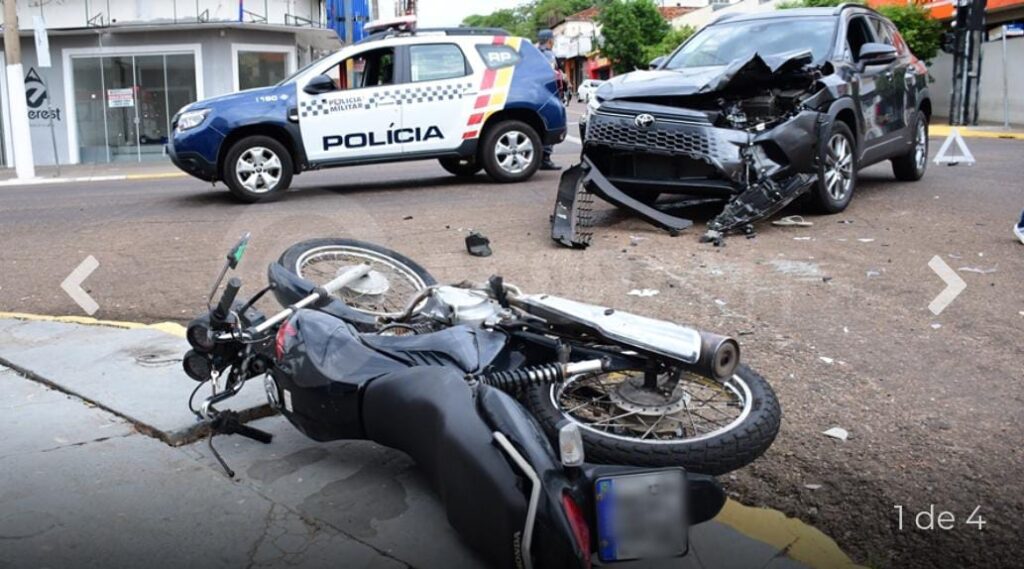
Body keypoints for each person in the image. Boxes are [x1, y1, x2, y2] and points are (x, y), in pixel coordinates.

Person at [535, 29, 562, 171]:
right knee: (550, 124)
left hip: (535, 94)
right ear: (549, 40)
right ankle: (545, 158)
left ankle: (539, 157)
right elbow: (551, 74)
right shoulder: (548, 54)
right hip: (547, 93)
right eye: (553, 39)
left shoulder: (534, 52)